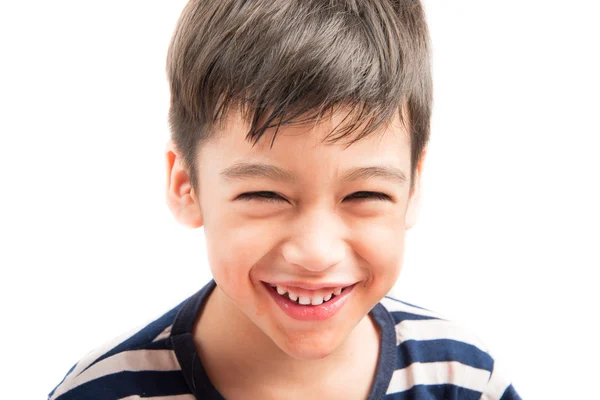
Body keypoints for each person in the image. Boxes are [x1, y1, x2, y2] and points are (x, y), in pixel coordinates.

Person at [49, 0, 521, 398]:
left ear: (413, 188)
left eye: (365, 194)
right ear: (186, 186)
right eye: (263, 194)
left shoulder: (465, 381)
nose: (316, 253)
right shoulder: (104, 390)